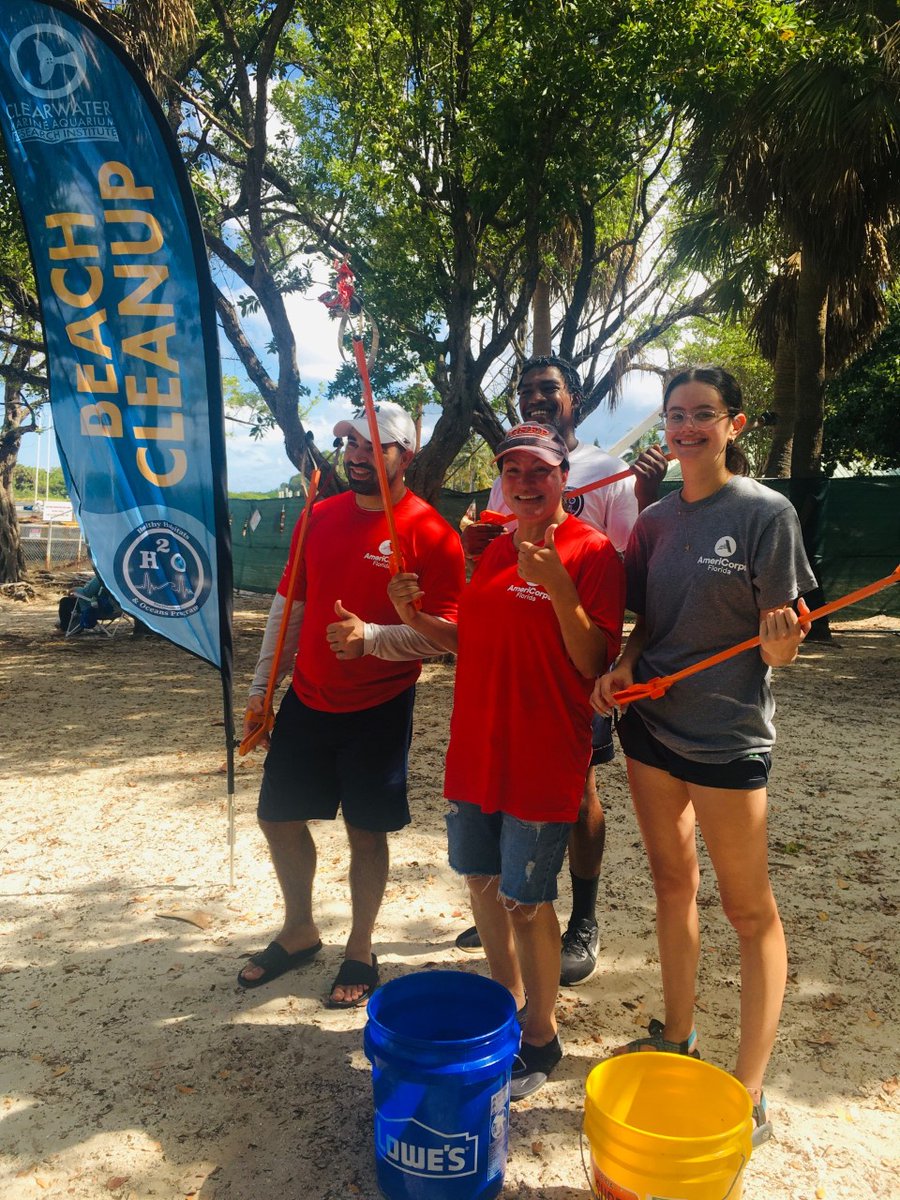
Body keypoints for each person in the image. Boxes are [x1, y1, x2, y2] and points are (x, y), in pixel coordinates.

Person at [593, 365, 816, 1145]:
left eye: (703, 414)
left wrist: (780, 644)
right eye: (676, 415)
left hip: (727, 737)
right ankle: (678, 1036)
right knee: (671, 884)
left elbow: (779, 647)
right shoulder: (654, 520)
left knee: (749, 911)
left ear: (734, 425)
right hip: (652, 727)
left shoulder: (766, 513)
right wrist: (624, 665)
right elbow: (648, 624)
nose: (686, 428)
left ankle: (748, 1089)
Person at [389, 422, 625, 1097]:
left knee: (526, 900)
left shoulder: (593, 552)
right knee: (482, 884)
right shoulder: (495, 550)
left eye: (539, 471)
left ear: (563, 479)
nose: (525, 483)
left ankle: (542, 1036)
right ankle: (506, 1008)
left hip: (543, 753)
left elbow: (595, 661)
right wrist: (415, 617)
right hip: (477, 746)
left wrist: (557, 586)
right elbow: (471, 640)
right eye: (512, 471)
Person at [239, 401, 465, 1007]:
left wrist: (376, 638)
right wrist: (262, 688)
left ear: (404, 456)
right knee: (277, 817)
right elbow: (290, 607)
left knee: (366, 832)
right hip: (307, 697)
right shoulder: (318, 515)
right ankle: (299, 930)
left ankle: (360, 947)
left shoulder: (433, 534)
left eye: (373, 446)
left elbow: (448, 639)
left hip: (379, 706)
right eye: (351, 444)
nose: (358, 456)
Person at [457, 354, 668, 985]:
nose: (536, 397)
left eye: (548, 388)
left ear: (573, 397)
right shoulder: (515, 469)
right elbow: (503, 540)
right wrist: (478, 546)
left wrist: (646, 495)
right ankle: (511, 898)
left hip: (575, 662)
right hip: (513, 668)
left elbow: (630, 563)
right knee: (508, 799)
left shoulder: (607, 470)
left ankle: (582, 917)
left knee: (577, 793)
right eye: (526, 390)